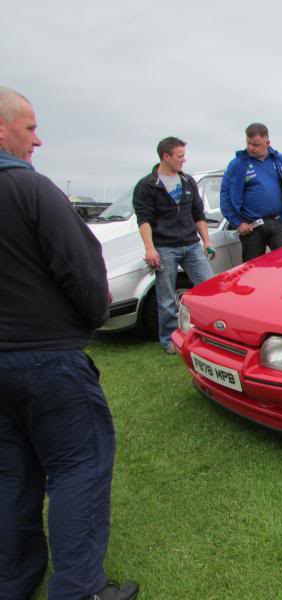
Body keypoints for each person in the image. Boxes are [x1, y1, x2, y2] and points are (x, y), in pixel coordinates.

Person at [0, 87, 138, 599]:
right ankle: (80, 589)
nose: (38, 139)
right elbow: (84, 272)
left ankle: (13, 578)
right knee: (78, 466)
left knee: (12, 470)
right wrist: (94, 317)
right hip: (47, 360)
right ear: (2, 127)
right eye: (31, 127)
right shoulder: (31, 190)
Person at [132, 137, 215, 353]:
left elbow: (198, 214)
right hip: (165, 247)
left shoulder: (187, 182)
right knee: (167, 297)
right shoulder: (148, 185)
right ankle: (169, 340)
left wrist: (206, 241)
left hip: (191, 245)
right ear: (165, 156)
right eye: (179, 156)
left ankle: (211, 333)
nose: (183, 160)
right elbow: (144, 220)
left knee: (210, 288)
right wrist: (150, 248)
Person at [220, 122, 282, 262]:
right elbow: (225, 195)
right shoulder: (237, 165)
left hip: (279, 222)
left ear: (267, 143)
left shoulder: (281, 161)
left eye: (255, 145)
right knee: (252, 271)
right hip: (252, 227)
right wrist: (237, 222)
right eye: (248, 143)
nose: (250, 148)